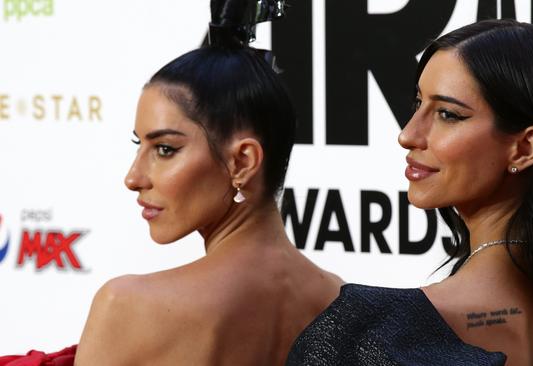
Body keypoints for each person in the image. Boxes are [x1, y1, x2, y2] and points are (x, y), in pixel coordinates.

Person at [286, 19, 533, 366]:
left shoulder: (370, 338)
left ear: (525, 149)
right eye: (418, 104)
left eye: (447, 114)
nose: (408, 134)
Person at [73, 1, 342, 365]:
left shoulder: (126, 305)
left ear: (242, 161)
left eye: (165, 149)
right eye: (140, 145)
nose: (133, 178)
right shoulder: (343, 303)